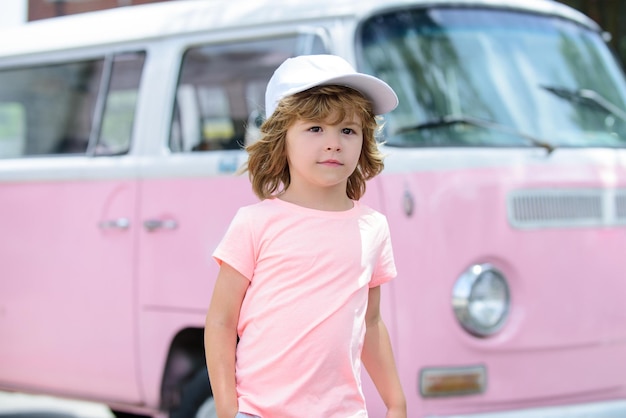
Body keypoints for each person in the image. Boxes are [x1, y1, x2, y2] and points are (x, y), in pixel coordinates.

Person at [204, 54, 406, 418]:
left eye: (348, 130)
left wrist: (396, 402)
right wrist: (226, 408)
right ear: (282, 140)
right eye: (315, 128)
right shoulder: (255, 223)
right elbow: (220, 322)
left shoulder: (373, 227)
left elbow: (371, 323)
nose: (333, 143)